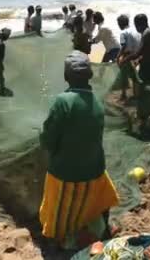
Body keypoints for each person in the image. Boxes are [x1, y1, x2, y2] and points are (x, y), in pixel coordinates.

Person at [39, 50, 119, 249]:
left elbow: (48, 140)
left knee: (57, 218)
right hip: (96, 170)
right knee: (103, 197)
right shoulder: (97, 102)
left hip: (67, 175)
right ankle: (98, 227)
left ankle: (58, 238)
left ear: (66, 76)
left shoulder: (62, 102)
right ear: (89, 75)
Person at [126, 14, 150, 134]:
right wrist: (138, 60)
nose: (136, 27)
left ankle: (147, 120)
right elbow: (147, 52)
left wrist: (126, 59)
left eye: (136, 24)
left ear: (139, 24)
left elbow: (139, 52)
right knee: (149, 94)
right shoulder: (147, 33)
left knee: (145, 93)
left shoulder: (147, 33)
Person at [116, 14, 142, 100]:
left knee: (124, 75)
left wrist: (118, 57)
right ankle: (136, 94)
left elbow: (123, 47)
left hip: (128, 55)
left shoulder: (123, 33)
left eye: (118, 23)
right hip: (138, 55)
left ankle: (123, 94)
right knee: (134, 76)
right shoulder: (135, 31)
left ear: (120, 23)